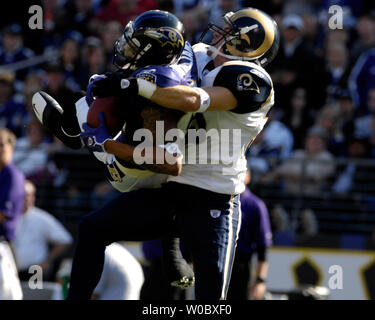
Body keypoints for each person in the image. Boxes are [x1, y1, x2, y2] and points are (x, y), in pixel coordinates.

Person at [79, 7, 279, 300]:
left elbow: (193, 100)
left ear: (247, 42)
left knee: (210, 301)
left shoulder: (253, 79)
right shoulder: (201, 54)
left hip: (214, 196)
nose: (220, 32)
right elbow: (160, 67)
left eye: (230, 30)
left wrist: (130, 84)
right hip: (170, 187)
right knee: (92, 228)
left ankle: (172, 246)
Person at [32, 10, 195, 298]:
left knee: (91, 104)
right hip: (177, 185)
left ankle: (71, 132)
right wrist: (122, 83)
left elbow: (169, 163)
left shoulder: (161, 91)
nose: (125, 47)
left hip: (133, 168)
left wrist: (106, 143)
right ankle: (172, 250)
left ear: (153, 49)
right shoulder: (184, 58)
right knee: (100, 92)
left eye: (134, 44)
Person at [13, 180, 73, 282]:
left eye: (29, 195)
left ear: (33, 197)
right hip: (12, 271)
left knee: (35, 296)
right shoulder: (8, 216)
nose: (26, 198)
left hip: (35, 271)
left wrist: (47, 260)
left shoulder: (42, 218)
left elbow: (65, 240)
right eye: (22, 195)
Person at [227, 170, 272, 300]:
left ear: (248, 177)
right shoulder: (218, 200)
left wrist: (260, 280)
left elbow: (263, 247)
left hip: (241, 264)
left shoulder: (255, 205)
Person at [0, 128, 24, 300]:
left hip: (3, 248)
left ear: (11, 148)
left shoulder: (12, 176)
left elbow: (2, 213)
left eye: (2, 145)